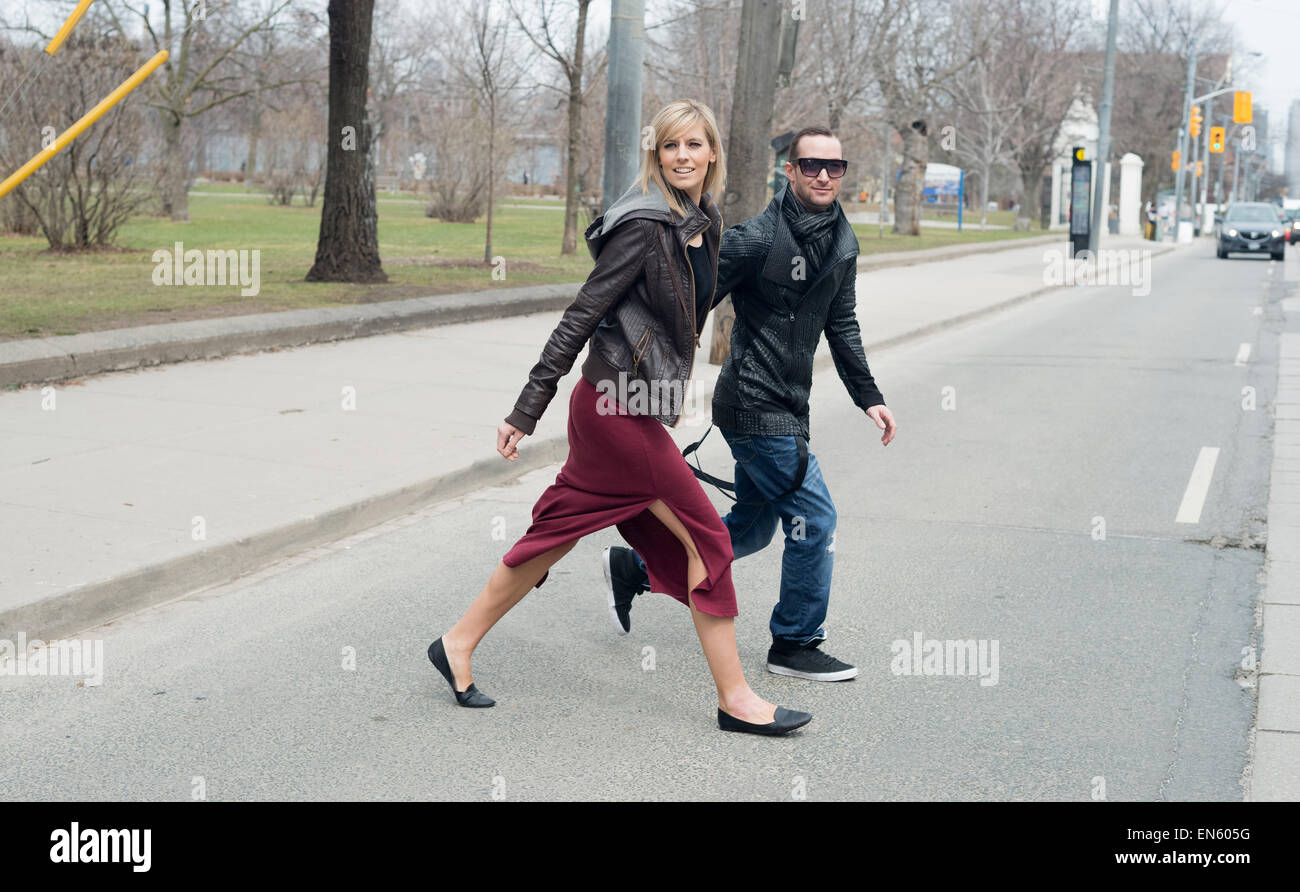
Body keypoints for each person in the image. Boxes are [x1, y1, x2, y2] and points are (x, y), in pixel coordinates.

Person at [428, 100, 812, 737]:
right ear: (655, 156)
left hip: (626, 409)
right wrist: (528, 406)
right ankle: (736, 699)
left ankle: (457, 642)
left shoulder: (701, 220)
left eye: (694, 145)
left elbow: (690, 308)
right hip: (613, 411)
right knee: (707, 539)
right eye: (670, 147)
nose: (683, 157)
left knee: (560, 530)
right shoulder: (645, 224)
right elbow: (582, 313)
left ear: (713, 152)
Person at [602, 126, 898, 683]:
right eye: (811, 166)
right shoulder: (755, 238)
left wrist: (869, 396)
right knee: (815, 518)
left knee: (755, 528)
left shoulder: (843, 242)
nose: (823, 176)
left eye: (834, 168)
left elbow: (842, 322)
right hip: (753, 406)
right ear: (789, 170)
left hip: (790, 405)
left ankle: (638, 567)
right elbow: (686, 301)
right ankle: (794, 641)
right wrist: (636, 368)